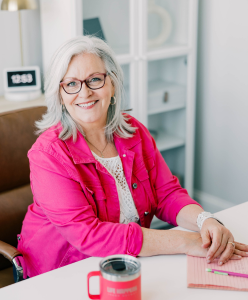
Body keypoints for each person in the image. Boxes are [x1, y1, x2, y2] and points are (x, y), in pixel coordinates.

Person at [17, 36, 248, 279]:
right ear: (60, 94)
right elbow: (88, 235)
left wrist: (206, 220)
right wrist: (186, 241)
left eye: (95, 79)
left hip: (124, 262)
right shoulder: (48, 155)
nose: (84, 92)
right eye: (71, 84)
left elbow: (166, 194)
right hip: (60, 272)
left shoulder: (133, 131)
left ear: (112, 84)